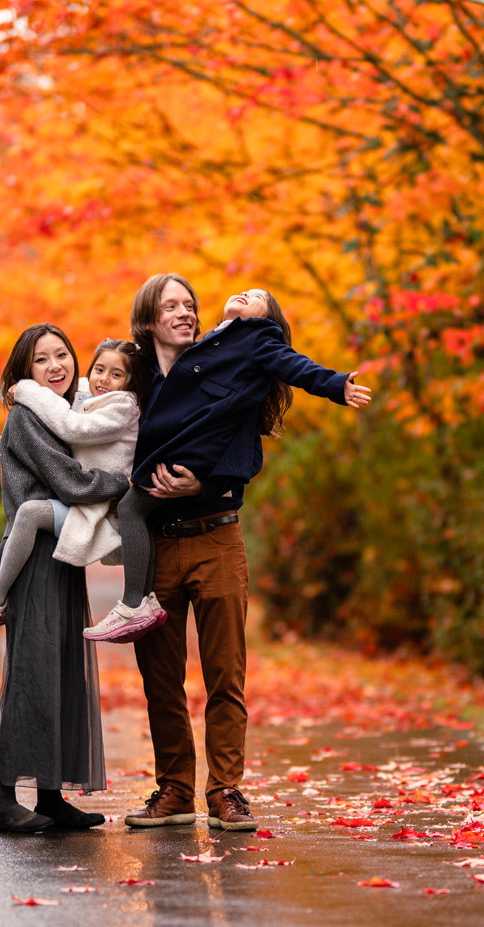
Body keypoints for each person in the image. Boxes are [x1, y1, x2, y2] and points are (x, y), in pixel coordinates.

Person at [119, 276, 372, 832]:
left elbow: (245, 455)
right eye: (172, 306)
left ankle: (226, 790)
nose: (185, 313)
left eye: (191, 305)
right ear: (148, 318)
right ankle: (175, 792)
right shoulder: (134, 377)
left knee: (225, 675)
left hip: (217, 538)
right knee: (159, 677)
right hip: (155, 544)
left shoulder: (234, 372)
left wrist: (201, 484)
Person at [0, 324, 131, 834]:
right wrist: (122, 486)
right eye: (41, 360)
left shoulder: (64, 416)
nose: (55, 366)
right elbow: (70, 482)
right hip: (32, 560)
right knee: (31, 672)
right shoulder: (27, 418)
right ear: (26, 371)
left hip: (61, 554)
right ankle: (4, 802)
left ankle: (50, 798)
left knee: (61, 666)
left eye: (62, 355)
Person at [0, 339, 150, 639]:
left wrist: (27, 389)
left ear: (130, 383)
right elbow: (76, 385)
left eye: (116, 374)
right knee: (28, 514)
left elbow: (72, 427)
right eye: (99, 369)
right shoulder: (92, 394)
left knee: (30, 513)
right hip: (85, 499)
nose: (104, 379)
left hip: (98, 503)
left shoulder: (122, 406)